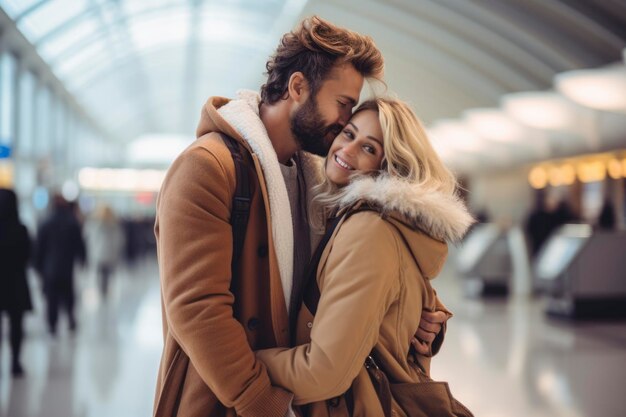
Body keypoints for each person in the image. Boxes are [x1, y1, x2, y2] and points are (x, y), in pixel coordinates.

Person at [153, 16, 446, 417]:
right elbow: (198, 310)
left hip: (298, 397)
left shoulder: (316, 179)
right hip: (228, 403)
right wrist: (262, 402)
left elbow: (368, 260)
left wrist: (426, 318)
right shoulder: (208, 168)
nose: (346, 121)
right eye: (343, 104)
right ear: (297, 87)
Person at [254, 98, 474, 416]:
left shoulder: (369, 229)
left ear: (388, 167)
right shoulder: (369, 220)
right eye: (348, 133)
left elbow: (324, 371)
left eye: (369, 148)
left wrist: (243, 362)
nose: (348, 150)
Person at [34, 194, 86, 335]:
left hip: (50, 266)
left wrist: (38, 266)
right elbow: (80, 244)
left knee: (52, 298)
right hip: (67, 266)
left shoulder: (46, 222)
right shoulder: (72, 221)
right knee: (68, 294)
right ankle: (70, 318)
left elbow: (39, 246)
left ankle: (52, 325)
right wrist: (82, 259)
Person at [0, 189, 33, 377]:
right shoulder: (21, 229)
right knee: (17, 325)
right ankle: (15, 363)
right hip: (16, 283)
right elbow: (28, 255)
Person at [85, 204, 125, 298]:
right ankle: (104, 288)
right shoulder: (114, 225)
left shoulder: (93, 224)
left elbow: (88, 238)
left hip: (97, 253)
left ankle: (101, 288)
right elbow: (119, 240)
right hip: (109, 253)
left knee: (100, 271)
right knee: (106, 272)